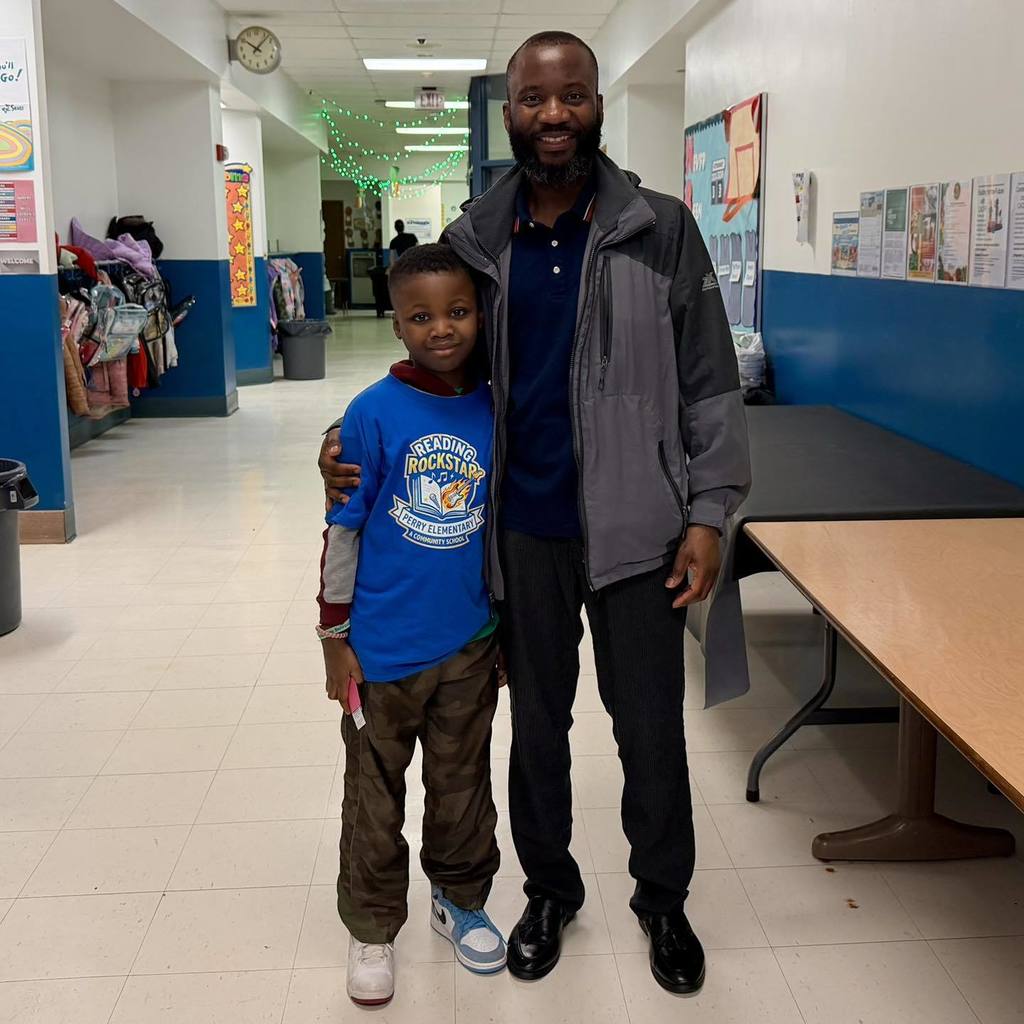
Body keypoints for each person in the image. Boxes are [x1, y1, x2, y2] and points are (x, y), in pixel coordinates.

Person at [320, 31, 751, 997]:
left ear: (597, 103)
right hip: (521, 531)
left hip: (643, 532)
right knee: (539, 727)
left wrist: (710, 512)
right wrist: (343, 445)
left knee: (649, 729)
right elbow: (435, 366)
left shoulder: (661, 228)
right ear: (508, 108)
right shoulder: (481, 237)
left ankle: (661, 898)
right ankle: (549, 890)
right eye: (531, 100)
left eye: (572, 97)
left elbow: (710, 386)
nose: (553, 116)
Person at [318, 243, 507, 1007]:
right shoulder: (370, 413)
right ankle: (371, 926)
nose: (442, 329)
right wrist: (335, 643)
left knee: (462, 784)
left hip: (469, 642)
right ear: (394, 325)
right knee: (373, 792)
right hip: (380, 651)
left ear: (481, 316)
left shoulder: (501, 404)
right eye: (421, 316)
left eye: (458, 312)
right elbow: (342, 532)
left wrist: (506, 635)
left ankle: (459, 899)